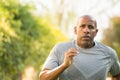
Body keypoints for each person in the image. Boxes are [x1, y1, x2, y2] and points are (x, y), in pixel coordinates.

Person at [39, 15, 120, 80]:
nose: (86, 30)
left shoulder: (109, 53)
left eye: (91, 27)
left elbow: (117, 75)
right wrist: (64, 66)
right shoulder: (60, 49)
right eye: (82, 26)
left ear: (96, 32)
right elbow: (43, 77)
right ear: (75, 30)